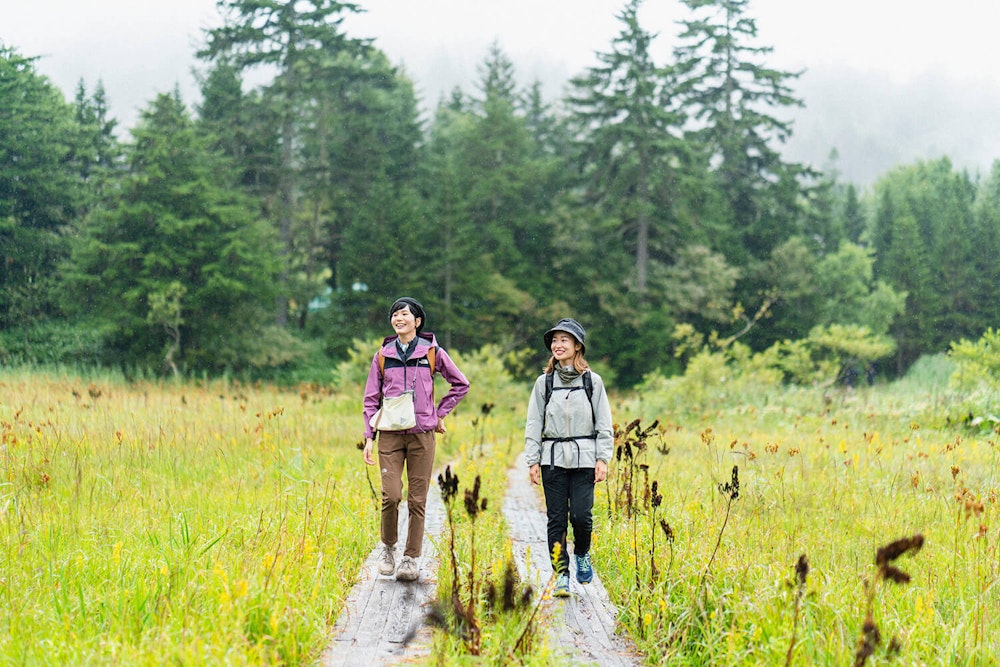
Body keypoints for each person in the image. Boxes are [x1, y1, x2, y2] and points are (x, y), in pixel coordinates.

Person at [362, 297, 470, 581]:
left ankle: (410, 558)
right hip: (389, 436)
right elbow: (371, 399)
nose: (399, 318)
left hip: (422, 435)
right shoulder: (383, 356)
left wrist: (440, 413)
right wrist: (369, 436)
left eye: (405, 314)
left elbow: (461, 384)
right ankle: (388, 548)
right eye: (395, 315)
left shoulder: (432, 353)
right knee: (391, 495)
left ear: (417, 321)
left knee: (417, 499)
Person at [524, 318, 613, 597]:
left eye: (564, 340)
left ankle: (583, 554)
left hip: (585, 459)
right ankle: (561, 573)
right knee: (556, 519)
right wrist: (532, 460)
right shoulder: (544, 383)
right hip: (552, 459)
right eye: (554, 340)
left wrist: (603, 458)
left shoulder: (592, 382)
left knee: (582, 516)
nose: (557, 345)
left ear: (577, 346)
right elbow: (533, 422)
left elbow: (604, 423)